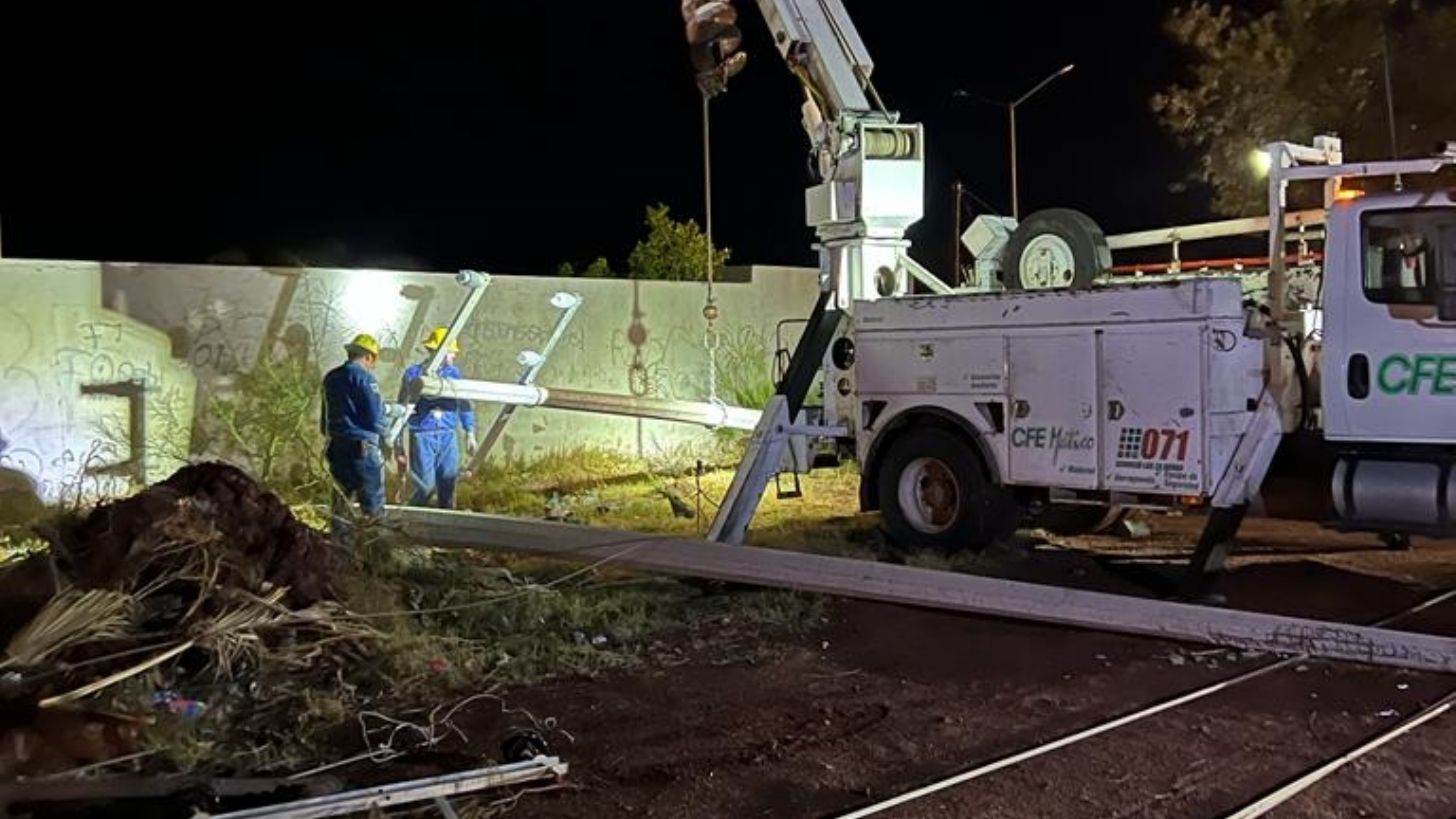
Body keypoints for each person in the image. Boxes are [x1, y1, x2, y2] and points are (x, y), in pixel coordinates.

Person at [396, 327, 476, 509]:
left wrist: (470, 431)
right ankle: (411, 516)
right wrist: (398, 444)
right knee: (425, 487)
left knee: (448, 485)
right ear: (439, 351)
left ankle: (447, 520)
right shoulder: (413, 374)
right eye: (451, 352)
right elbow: (402, 408)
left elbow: (463, 402)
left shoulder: (454, 374)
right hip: (423, 434)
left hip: (447, 434)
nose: (454, 356)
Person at [321, 334, 388, 519]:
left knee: (340, 504)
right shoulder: (365, 378)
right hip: (362, 449)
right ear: (368, 356)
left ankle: (340, 537)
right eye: (373, 361)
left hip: (336, 447)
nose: (373, 366)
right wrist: (387, 435)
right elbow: (375, 418)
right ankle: (373, 537)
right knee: (372, 505)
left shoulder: (331, 377)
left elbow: (324, 417)